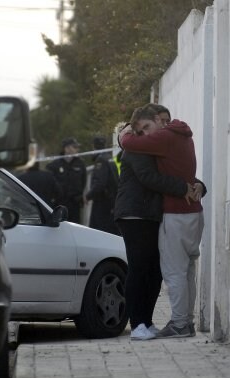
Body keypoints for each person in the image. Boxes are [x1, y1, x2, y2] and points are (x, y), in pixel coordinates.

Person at [115, 106, 206, 341]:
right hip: (135, 213)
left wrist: (198, 185)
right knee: (139, 268)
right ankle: (137, 324)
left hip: (153, 214)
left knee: (154, 270)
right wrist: (183, 187)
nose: (161, 127)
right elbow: (149, 177)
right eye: (142, 129)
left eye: (166, 120)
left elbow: (174, 170)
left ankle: (148, 321)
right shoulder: (138, 145)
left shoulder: (158, 142)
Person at [46, 137, 87, 224]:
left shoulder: (80, 163)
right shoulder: (55, 165)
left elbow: (83, 181)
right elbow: (51, 183)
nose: (77, 149)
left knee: (76, 228)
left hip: (75, 204)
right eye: (74, 147)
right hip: (60, 203)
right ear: (66, 148)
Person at [85, 136, 120, 235]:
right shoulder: (110, 158)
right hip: (112, 202)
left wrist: (88, 196)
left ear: (93, 147)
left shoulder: (100, 160)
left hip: (103, 202)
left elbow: (100, 183)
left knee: (99, 231)